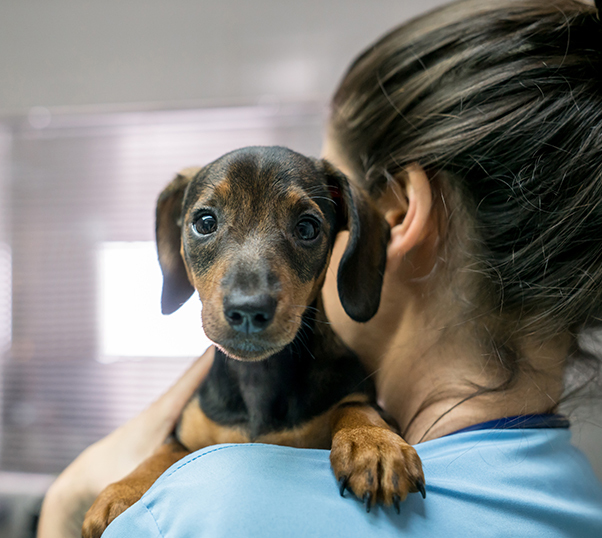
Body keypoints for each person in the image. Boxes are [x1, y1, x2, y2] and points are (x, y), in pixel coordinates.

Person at [38, 0, 602, 536]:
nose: (252, 289)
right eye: (208, 224)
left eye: (308, 228)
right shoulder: (583, 496)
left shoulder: (202, 509)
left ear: (395, 216)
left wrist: (67, 501)